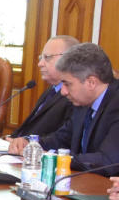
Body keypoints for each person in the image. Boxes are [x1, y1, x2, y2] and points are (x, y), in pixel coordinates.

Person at [37, 43, 119, 176]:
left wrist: (56, 159)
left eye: (67, 84)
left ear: (91, 82)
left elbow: (107, 161)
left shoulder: (116, 105)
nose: (63, 92)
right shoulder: (83, 102)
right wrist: (31, 144)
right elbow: (61, 138)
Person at [6, 35, 80, 154]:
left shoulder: (75, 97)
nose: (40, 64)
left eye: (47, 57)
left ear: (69, 59)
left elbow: (62, 138)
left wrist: (28, 143)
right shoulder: (51, 90)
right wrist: (14, 139)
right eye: (41, 57)